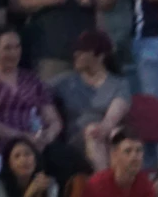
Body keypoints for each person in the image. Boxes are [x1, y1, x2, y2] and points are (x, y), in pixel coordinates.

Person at [0, 29, 61, 179]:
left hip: (35, 141)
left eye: (17, 47)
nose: (14, 53)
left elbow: (53, 118)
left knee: (66, 158)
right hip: (1, 141)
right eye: (8, 48)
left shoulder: (31, 79)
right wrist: (20, 136)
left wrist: (47, 137)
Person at [51, 29, 129, 174]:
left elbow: (114, 114)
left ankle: (117, 187)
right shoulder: (65, 82)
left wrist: (105, 128)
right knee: (93, 132)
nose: (75, 55)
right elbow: (37, 91)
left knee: (116, 134)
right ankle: (104, 187)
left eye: (81, 51)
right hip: (76, 140)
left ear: (99, 56)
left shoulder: (118, 84)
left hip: (105, 134)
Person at [9, 0, 115, 81]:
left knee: (93, 96)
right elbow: (16, 2)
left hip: (88, 53)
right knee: (50, 96)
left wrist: (93, 0)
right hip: (49, 52)